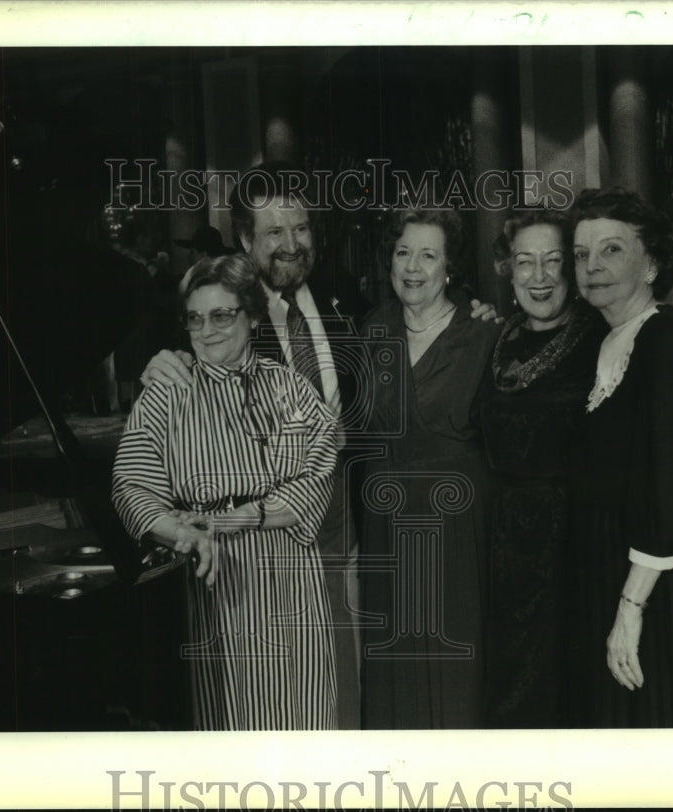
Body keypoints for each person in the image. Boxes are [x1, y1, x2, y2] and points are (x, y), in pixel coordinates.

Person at [139, 161, 497, 729]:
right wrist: (165, 358)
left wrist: (475, 308)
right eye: (274, 231)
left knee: (348, 686)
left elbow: (421, 329)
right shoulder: (220, 315)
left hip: (349, 529)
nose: (290, 244)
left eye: (300, 229)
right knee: (273, 704)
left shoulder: (342, 297)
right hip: (260, 550)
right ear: (245, 239)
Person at [112, 253, 340, 730]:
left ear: (253, 316)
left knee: (305, 718)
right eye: (195, 319)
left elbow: (314, 483)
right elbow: (132, 486)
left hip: (291, 577)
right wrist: (182, 532)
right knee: (233, 723)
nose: (207, 330)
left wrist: (234, 518)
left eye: (221, 315)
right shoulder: (166, 392)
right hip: (215, 580)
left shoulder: (291, 388)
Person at [568, 187, 673, 727]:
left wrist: (631, 609)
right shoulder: (606, 336)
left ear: (652, 264)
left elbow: (668, 485)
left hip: (656, 587)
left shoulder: (665, 337)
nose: (591, 266)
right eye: (581, 254)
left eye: (612, 250)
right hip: (614, 570)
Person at [359, 207, 500, 728]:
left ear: (450, 268)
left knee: (456, 666)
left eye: (428, 254)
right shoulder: (372, 330)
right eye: (403, 252)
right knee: (394, 671)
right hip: (387, 530)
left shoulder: (484, 335)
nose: (412, 267)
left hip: (456, 531)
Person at [479, 209, 608, 727]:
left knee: (566, 686)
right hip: (506, 540)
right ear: (507, 270)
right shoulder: (497, 336)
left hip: (573, 542)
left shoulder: (601, 336)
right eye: (524, 262)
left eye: (553, 261)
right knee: (510, 683)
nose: (539, 276)